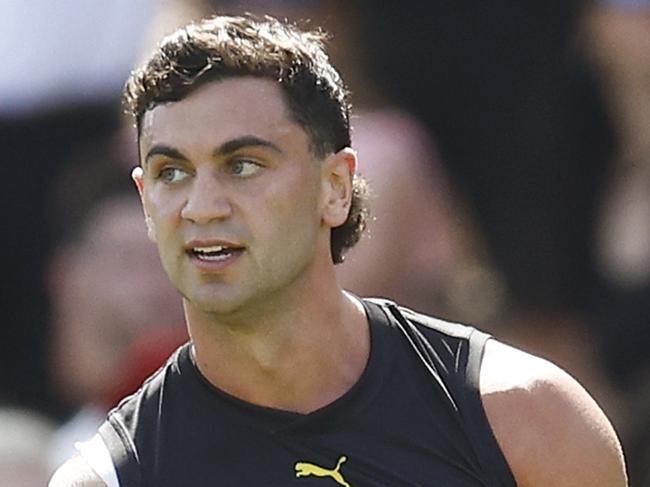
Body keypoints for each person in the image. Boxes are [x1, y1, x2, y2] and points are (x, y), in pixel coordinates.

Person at [50, 14, 628, 486]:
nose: (202, 207)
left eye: (243, 165)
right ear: (145, 201)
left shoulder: (526, 419)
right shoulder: (107, 479)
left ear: (335, 188)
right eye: (172, 172)